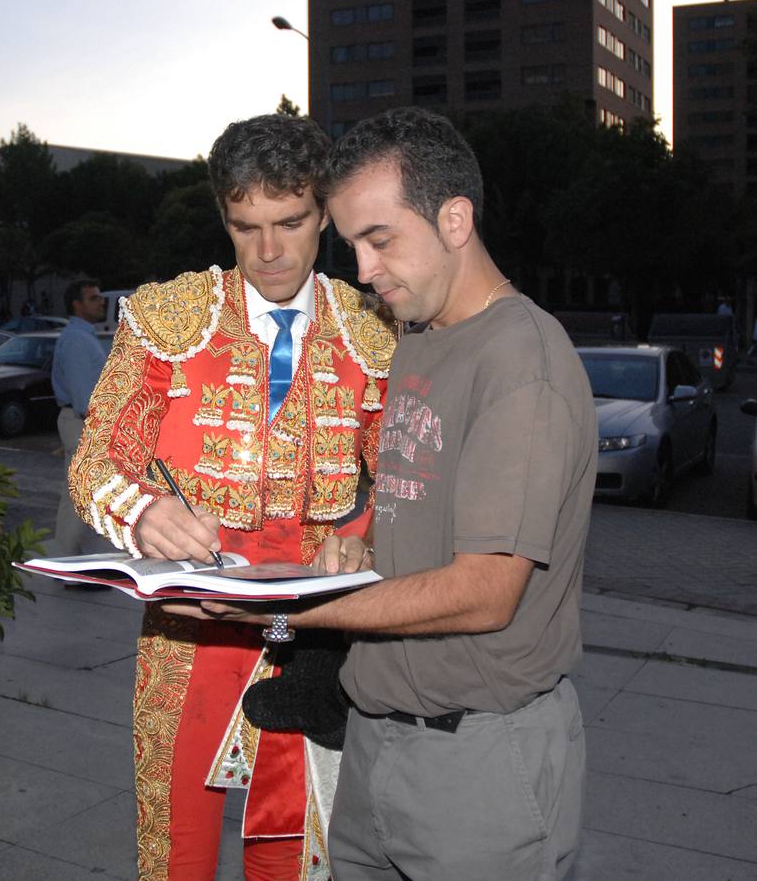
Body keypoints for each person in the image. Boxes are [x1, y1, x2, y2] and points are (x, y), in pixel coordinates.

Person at [166, 106, 596, 881]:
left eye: (379, 239)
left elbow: (484, 592)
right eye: (351, 244)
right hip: (375, 742)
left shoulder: (520, 363)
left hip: (478, 766)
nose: (362, 271)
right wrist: (358, 545)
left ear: (454, 218)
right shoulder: (422, 342)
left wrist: (279, 605)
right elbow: (412, 515)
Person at [68, 113, 397, 880]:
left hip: (316, 627)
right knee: (175, 848)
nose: (270, 251)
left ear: (325, 213)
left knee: (290, 847)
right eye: (246, 227)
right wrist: (144, 512)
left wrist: (365, 534)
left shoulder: (373, 332)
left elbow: (400, 483)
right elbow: (94, 466)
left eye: (290, 223)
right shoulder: (167, 318)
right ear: (224, 217)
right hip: (190, 629)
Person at [50, 281, 111, 560]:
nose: (101, 302)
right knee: (81, 495)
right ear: (77, 305)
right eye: (93, 298)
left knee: (81, 494)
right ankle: (72, 564)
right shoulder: (76, 339)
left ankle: (72, 560)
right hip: (83, 424)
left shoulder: (83, 336)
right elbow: (85, 399)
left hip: (83, 423)